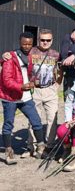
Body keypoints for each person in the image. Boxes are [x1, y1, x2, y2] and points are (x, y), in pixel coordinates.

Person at [2, 29, 62, 157]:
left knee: (52, 118)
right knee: (34, 119)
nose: (45, 42)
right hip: (34, 89)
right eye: (42, 40)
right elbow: (14, 56)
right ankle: (32, 146)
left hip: (50, 89)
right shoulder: (31, 51)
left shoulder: (56, 54)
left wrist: (57, 84)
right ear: (38, 40)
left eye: (48, 40)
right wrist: (3, 57)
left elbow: (60, 69)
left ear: (52, 41)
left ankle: (48, 146)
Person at [0, 32, 45, 165]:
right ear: (19, 42)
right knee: (8, 124)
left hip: (26, 97)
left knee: (36, 121)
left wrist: (35, 82)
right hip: (10, 98)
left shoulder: (32, 56)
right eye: (24, 43)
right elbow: (6, 80)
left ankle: (41, 147)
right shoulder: (10, 58)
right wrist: (22, 86)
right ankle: (9, 152)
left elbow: (33, 73)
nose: (26, 46)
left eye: (29, 44)